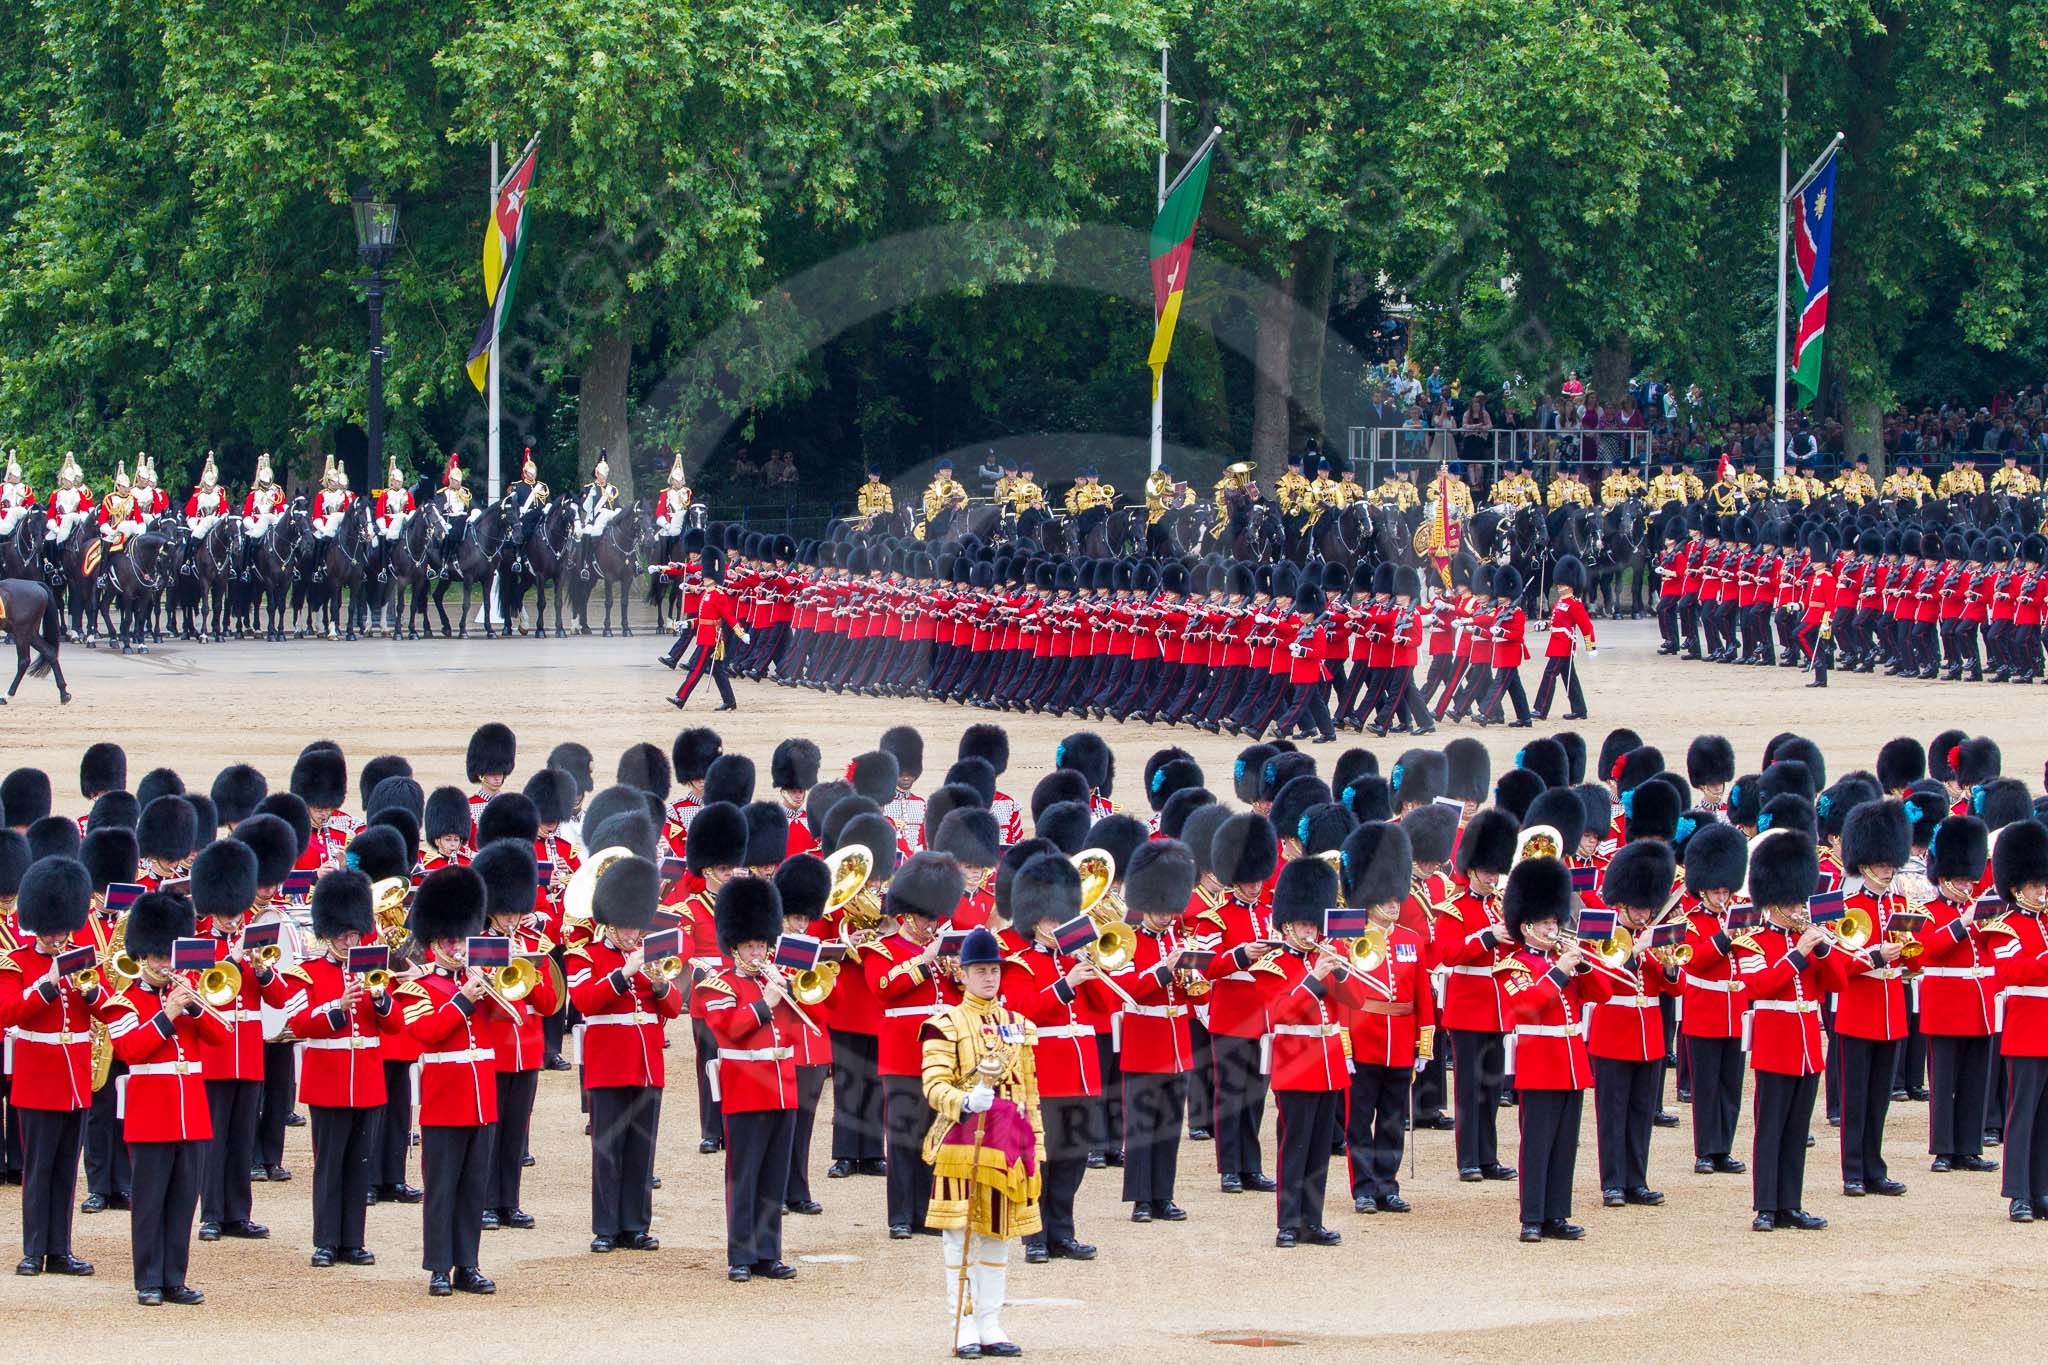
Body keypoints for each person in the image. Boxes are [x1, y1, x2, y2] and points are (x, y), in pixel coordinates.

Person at [921, 922, 1043, 1361]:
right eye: (980, 970)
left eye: (994, 970)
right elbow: (933, 1086)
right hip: (960, 1144)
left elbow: (1029, 1092)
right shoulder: (944, 1024)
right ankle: (964, 1325)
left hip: (1009, 1144)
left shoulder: (1019, 1025)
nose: (989, 977)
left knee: (998, 1236)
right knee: (960, 1237)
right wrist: (965, 1100)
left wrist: (1037, 1149)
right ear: (962, 974)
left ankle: (991, 1323)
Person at [106, 889, 226, 1306]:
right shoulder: (124, 1002)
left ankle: (175, 1277)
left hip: (190, 1112)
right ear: (143, 955)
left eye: (169, 956)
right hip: (151, 1112)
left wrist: (193, 1008)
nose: (165, 965)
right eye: (158, 957)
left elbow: (221, 1038)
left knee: (182, 1201)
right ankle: (148, 1280)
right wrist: (168, 1014)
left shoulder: (190, 994)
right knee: (150, 1202)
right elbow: (130, 1051)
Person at [279, 867, 402, 1268]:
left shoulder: (374, 971)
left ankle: (353, 1240)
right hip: (329, 1079)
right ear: (328, 932)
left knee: (360, 1163)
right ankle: (326, 1240)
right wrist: (336, 1008)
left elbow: (395, 1024)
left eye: (355, 935)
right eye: (344, 935)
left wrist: (381, 998)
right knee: (329, 1163)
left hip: (366, 1077)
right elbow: (298, 1022)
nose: (351, 942)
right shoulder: (307, 973)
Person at [566, 851, 681, 1254]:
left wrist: (661, 983)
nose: (633, 934)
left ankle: (635, 1225)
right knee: (608, 1150)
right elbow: (584, 999)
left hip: (647, 1064)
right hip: (608, 1064)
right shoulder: (586, 955)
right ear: (610, 923)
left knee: (640, 1151)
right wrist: (624, 973)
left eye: (637, 926)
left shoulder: (652, 954)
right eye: (626, 927)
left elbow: (670, 1009)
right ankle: (605, 1227)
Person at [395, 865, 500, 1296]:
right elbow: (425, 1033)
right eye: (450, 941)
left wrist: (487, 989)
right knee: (441, 1187)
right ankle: (439, 1265)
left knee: (474, 1187)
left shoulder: (481, 982)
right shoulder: (417, 987)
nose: (457, 948)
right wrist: (462, 1000)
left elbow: (534, 1008)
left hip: (481, 1098)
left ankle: (467, 1264)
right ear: (434, 942)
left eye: (461, 939)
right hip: (444, 1097)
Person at [0, 855, 99, 1278]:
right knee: (38, 1168)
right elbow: (9, 1013)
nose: (58, 936)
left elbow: (107, 1006)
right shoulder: (16, 962)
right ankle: (33, 1248)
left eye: (63, 928)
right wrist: (48, 983)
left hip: (75, 1076)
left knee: (64, 1169)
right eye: (52, 929)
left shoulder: (83, 958)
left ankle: (60, 1248)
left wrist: (90, 991)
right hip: (38, 1076)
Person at [704, 875, 805, 1281]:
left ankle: (768, 1253)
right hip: (746, 1086)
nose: (757, 952)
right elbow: (727, 1028)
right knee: (744, 1176)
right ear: (734, 946)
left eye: (762, 944)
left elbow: (802, 1028)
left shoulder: (774, 980)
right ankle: (741, 1255)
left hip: (783, 1086)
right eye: (750, 945)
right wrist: (767, 1003)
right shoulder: (719, 984)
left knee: (773, 1176)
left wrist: (790, 992)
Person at [1500, 850, 1605, 1241]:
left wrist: (1586, 965)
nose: (1551, 928)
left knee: (1564, 1143)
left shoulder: (1563, 960)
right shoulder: (1514, 965)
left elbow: (1604, 994)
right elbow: (1526, 1006)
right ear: (1525, 926)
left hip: (1571, 1061)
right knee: (1537, 1143)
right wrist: (1560, 972)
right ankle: (1532, 1216)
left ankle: (1557, 1214)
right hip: (1539, 1062)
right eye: (1544, 922)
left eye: (1553, 921)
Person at [1740, 830, 1836, 1231]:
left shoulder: (1808, 939)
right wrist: (1798, 954)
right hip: (1775, 1040)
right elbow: (1759, 986)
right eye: (1793, 902)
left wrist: (1824, 949)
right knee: (1771, 1128)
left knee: (1797, 1130)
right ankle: (1766, 1205)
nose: (1800, 909)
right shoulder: (1752, 942)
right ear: (1773, 902)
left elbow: (1838, 983)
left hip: (1807, 1043)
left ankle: (1790, 1204)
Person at [868, 851, 965, 1237]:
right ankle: (901, 1216)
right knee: (904, 1137)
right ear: (907, 915)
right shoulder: (884, 949)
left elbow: (955, 1003)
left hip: (940, 1058)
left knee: (934, 1137)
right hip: (903, 1056)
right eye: (927, 917)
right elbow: (883, 989)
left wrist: (957, 977)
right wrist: (924, 962)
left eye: (935, 917)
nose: (932, 923)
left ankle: (927, 1213)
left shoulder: (943, 950)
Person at [1113, 838, 1201, 1222]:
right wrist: (1165, 968)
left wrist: (1194, 977)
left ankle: (1163, 1194)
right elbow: (1129, 987)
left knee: (1168, 1124)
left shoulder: (1176, 938)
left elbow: (1191, 991)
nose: (1166, 916)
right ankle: (1141, 1198)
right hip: (1144, 1039)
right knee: (1142, 1125)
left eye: (1170, 909)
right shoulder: (1127, 939)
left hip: (1176, 1040)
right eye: (1160, 909)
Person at [1587, 840, 1677, 1208]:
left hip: (1649, 1035)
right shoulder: (1601, 934)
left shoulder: (1655, 935)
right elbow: (1600, 984)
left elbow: (1675, 986)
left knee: (1641, 1113)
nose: (1644, 915)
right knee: (1613, 1113)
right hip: (1613, 1034)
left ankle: (1636, 1179)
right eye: (1638, 909)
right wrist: (1632, 953)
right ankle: (1612, 1182)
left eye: (1647, 909)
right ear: (1622, 903)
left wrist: (1670, 965)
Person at [1679, 822, 1750, 1176]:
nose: (1722, 897)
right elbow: (1692, 959)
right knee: (1706, 1086)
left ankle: (1724, 1148)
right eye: (1716, 891)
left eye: (1726, 890)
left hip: (1735, 1010)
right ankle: (1705, 1149)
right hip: (1704, 1010)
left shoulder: (1743, 913)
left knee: (1730, 1084)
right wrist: (1725, 937)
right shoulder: (1690, 921)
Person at [659, 545, 748, 711]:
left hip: (711, 640)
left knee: (696, 669)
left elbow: (728, 616)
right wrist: (688, 623)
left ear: (713, 577)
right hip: (705, 636)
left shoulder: (718, 595)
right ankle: (730, 702)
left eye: (707, 576)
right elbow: (703, 619)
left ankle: (681, 697)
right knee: (719, 671)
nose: (704, 578)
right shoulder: (707, 594)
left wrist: (740, 633)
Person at [579, 454, 623, 541]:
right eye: (602, 474)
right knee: (587, 532)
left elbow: (617, 505)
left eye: (606, 474)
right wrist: (591, 496)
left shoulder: (612, 489)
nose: (604, 477)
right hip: (594, 519)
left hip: (610, 517)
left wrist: (618, 511)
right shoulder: (589, 488)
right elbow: (584, 508)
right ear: (597, 473)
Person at [311, 455, 353, 540]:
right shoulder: (321, 495)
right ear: (328, 481)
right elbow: (316, 515)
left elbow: (347, 512)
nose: (337, 483)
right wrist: (322, 528)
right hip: (324, 527)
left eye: (337, 481)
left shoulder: (342, 494)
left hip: (339, 528)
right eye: (334, 481)